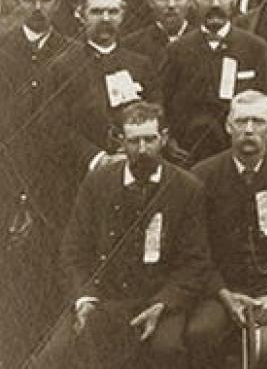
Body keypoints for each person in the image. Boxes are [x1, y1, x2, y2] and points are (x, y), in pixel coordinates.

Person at [30, 102, 210, 369]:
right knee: (53, 357)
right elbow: (73, 251)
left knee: (167, 350)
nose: (143, 150)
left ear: (164, 138)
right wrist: (84, 297)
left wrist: (164, 303)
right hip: (105, 298)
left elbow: (195, 262)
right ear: (121, 141)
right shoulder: (97, 183)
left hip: (158, 300)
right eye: (134, 141)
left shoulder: (187, 188)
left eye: (150, 139)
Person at [186, 91, 267, 369]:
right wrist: (224, 294)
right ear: (228, 126)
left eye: (257, 122)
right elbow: (197, 249)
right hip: (224, 290)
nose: (248, 130)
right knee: (200, 333)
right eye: (241, 121)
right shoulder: (202, 176)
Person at [0, 0, 74, 366]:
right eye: (30, 0)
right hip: (8, 177)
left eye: (45, 0)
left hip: (55, 181)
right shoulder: (3, 49)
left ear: (56, 0)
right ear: (18, 0)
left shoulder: (70, 50)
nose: (38, 8)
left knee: (51, 266)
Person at [161, 0, 267, 164]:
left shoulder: (254, 47)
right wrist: (169, 140)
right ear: (193, 1)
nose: (214, 4)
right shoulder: (177, 49)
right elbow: (164, 100)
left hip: (239, 154)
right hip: (188, 155)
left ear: (233, 0)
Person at [47, 0, 158, 171]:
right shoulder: (63, 67)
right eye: (97, 12)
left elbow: (156, 110)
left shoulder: (141, 64)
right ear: (81, 16)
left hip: (138, 162)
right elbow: (56, 125)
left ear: (122, 16)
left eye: (112, 12)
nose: (105, 18)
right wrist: (96, 158)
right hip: (84, 168)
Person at [121, 0, 193, 69]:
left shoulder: (205, 42)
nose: (171, 5)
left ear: (189, 1)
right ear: (151, 2)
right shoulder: (131, 45)